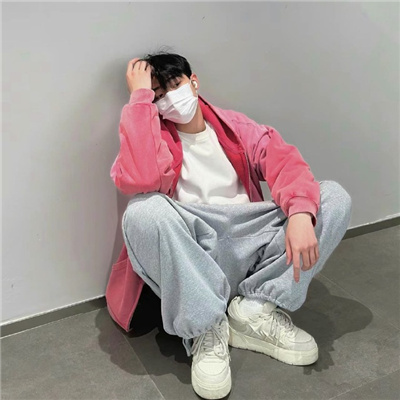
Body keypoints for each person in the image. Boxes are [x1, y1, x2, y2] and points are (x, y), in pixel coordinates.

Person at [106, 52, 352, 400]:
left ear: (193, 82)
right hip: (196, 253)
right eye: (158, 95)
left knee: (333, 197)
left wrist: (299, 214)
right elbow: (140, 178)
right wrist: (140, 99)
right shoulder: (154, 137)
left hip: (252, 241)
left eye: (174, 85)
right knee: (142, 211)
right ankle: (206, 329)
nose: (169, 99)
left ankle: (254, 310)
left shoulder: (235, 127)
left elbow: (284, 162)